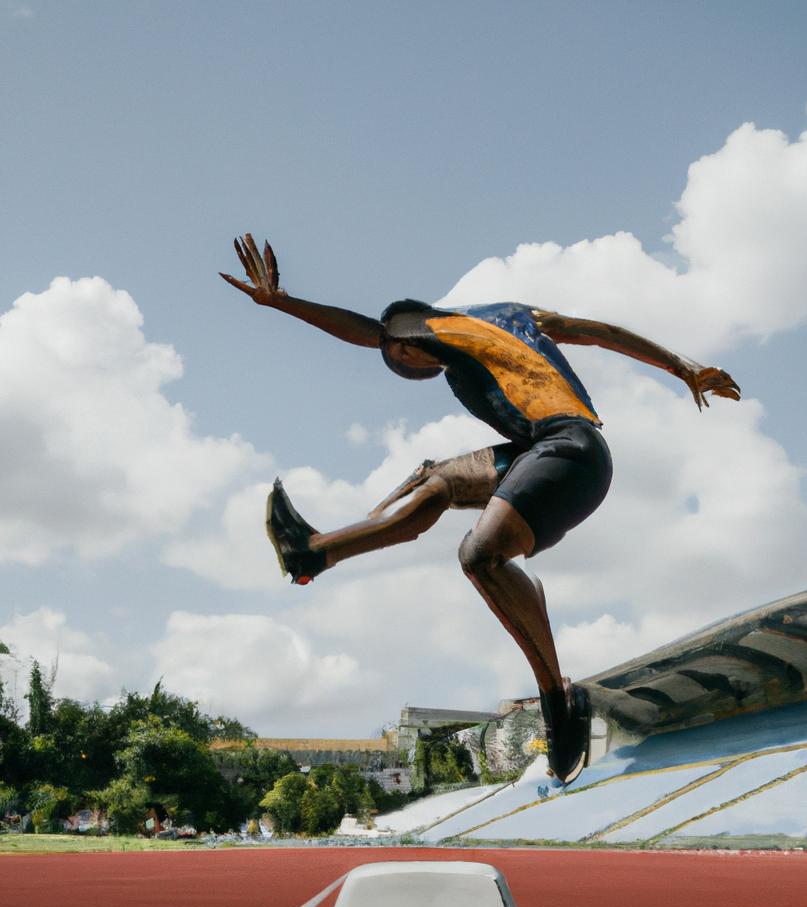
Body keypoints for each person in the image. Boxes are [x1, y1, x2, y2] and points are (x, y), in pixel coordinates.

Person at [222, 234, 740, 783]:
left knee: (479, 555)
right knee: (434, 482)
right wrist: (681, 365)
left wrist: (284, 303)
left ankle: (557, 701)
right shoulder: (516, 314)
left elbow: (369, 331)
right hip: (540, 453)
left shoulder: (423, 329)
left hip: (568, 450)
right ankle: (314, 554)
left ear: (406, 345)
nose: (422, 366)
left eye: (408, 364)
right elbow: (600, 333)